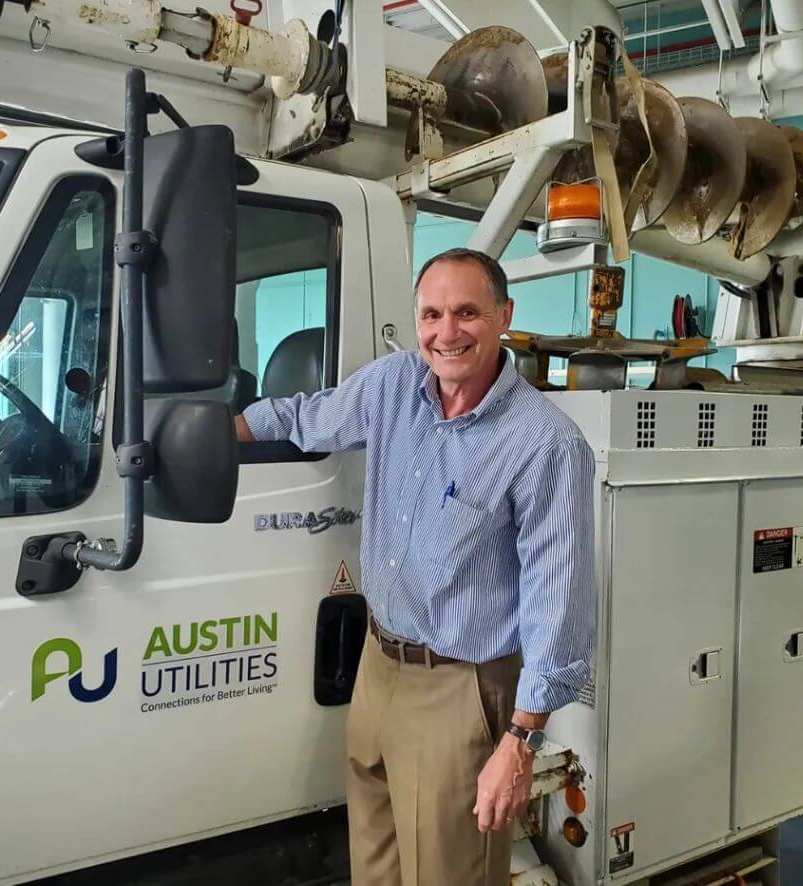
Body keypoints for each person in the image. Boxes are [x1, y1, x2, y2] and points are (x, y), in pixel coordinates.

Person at [235, 247, 595, 886]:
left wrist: (520, 743)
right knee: (374, 869)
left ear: (504, 315)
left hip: (459, 690)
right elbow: (306, 417)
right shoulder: (392, 385)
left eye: (467, 313)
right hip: (379, 670)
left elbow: (558, 608)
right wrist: (221, 429)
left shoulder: (545, 443)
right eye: (432, 314)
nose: (446, 332)